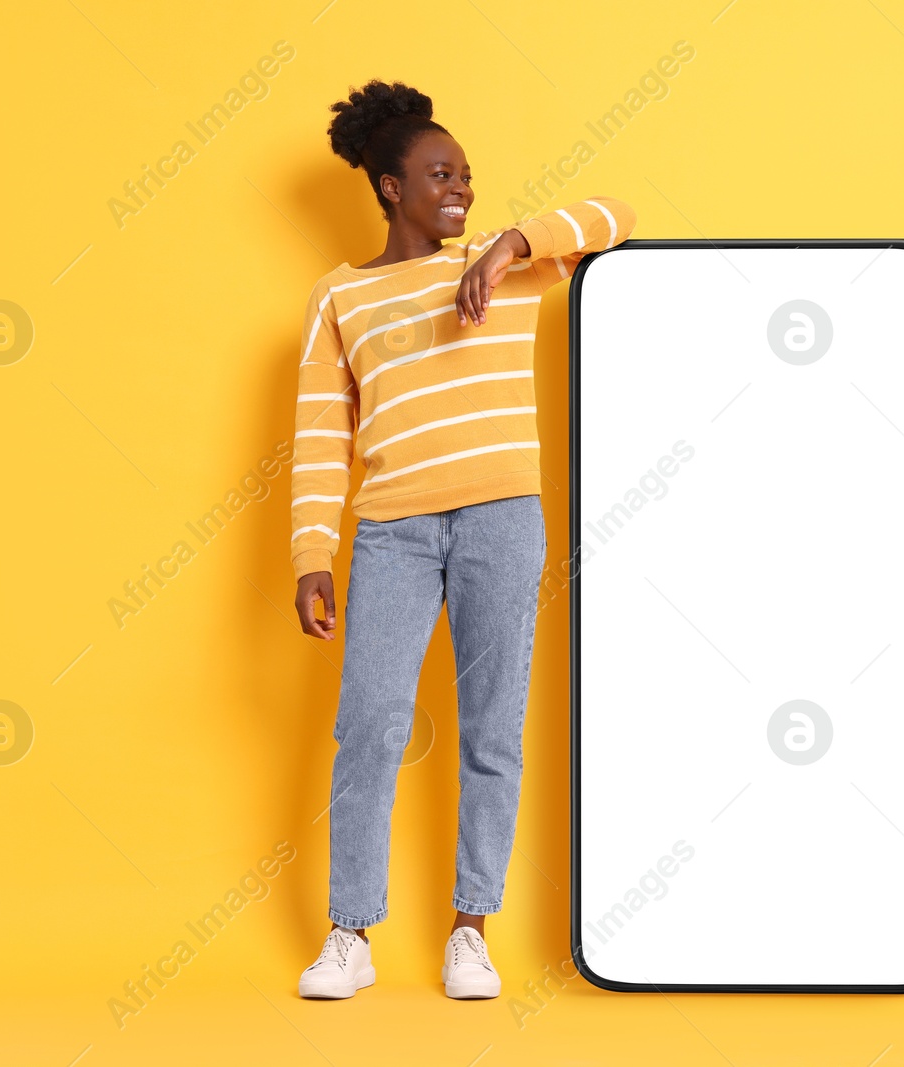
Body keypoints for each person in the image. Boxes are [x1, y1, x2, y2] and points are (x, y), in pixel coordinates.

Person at [289, 78, 635, 1000]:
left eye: (469, 176)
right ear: (389, 187)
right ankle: (350, 933)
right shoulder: (338, 298)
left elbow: (618, 215)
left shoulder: (505, 263)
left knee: (494, 730)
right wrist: (311, 555)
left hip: (502, 519)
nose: (462, 190)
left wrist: (517, 240)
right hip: (393, 530)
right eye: (440, 174)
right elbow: (324, 435)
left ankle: (471, 930)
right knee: (369, 726)